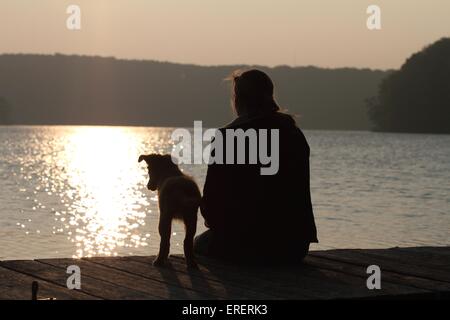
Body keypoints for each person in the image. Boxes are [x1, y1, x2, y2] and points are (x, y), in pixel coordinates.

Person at [194, 69, 318, 264]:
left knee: (198, 243)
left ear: (238, 99)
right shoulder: (292, 132)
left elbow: (211, 205)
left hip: (245, 245)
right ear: (270, 95)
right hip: (294, 247)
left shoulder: (227, 137)